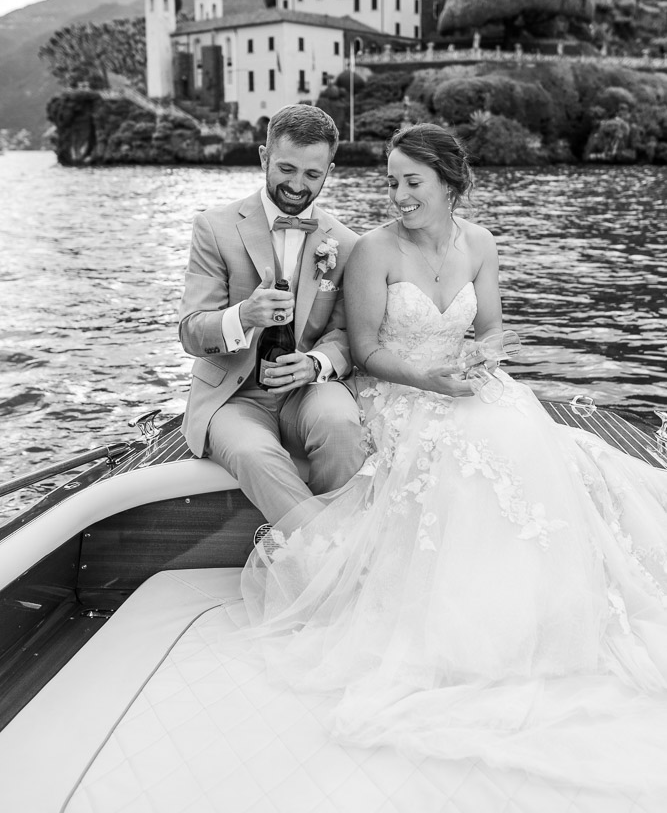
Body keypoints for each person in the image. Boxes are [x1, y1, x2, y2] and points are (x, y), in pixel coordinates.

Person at [238, 123, 667, 796]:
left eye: (412, 183)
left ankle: (544, 616)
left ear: (448, 184)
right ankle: (468, 628)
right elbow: (370, 349)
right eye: (390, 182)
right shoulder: (372, 250)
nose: (398, 195)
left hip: (466, 382)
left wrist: (482, 358)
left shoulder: (479, 243)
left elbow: (490, 326)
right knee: (469, 455)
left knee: (543, 446)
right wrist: (430, 380)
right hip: (398, 391)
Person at [178, 103, 365, 525]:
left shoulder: (348, 243)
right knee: (252, 452)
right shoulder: (214, 227)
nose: (297, 186)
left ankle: (323, 555)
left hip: (308, 390)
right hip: (233, 396)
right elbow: (191, 332)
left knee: (341, 426)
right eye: (286, 168)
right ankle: (332, 557)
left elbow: (347, 335)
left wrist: (315, 363)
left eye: (312, 174)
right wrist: (244, 314)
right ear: (264, 157)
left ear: (329, 170)